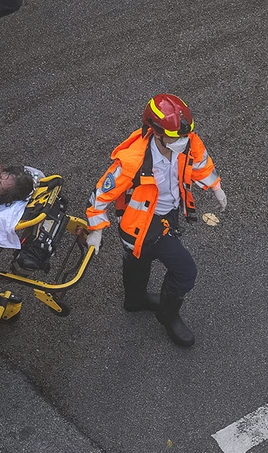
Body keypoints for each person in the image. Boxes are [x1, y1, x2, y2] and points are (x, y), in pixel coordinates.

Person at [84, 94, 227, 347]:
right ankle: (167, 316)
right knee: (185, 272)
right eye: (176, 138)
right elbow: (101, 195)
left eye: (185, 136)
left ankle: (135, 300)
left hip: (166, 214)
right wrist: (96, 229)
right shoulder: (132, 161)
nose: (184, 141)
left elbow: (200, 161)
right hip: (141, 223)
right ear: (156, 132)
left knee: (139, 260)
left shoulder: (185, 140)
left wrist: (215, 186)